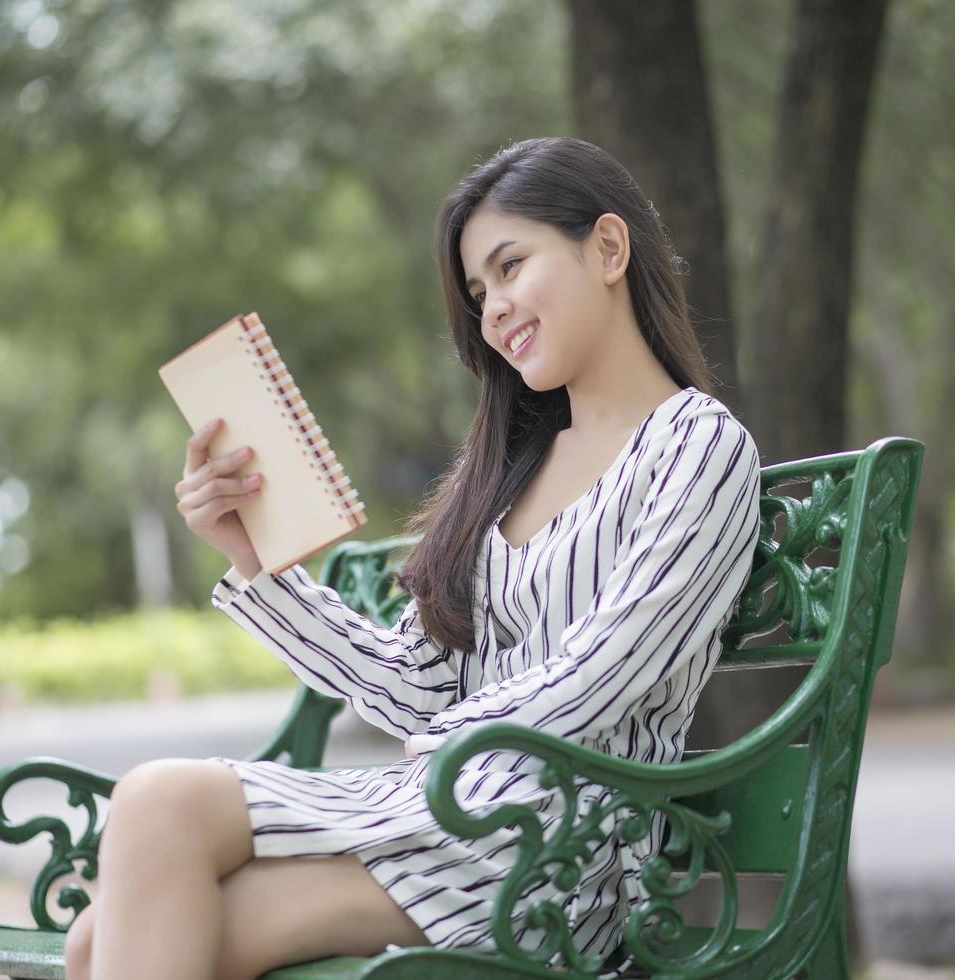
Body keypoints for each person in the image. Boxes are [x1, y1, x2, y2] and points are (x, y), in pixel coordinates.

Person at [64, 136, 762, 980]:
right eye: (478, 292)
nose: (493, 308)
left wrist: (446, 743)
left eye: (511, 267)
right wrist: (253, 561)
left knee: (117, 938)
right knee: (153, 809)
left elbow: (605, 678)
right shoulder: (511, 471)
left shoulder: (697, 446)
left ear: (607, 248)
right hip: (443, 810)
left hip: (557, 852)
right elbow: (417, 685)